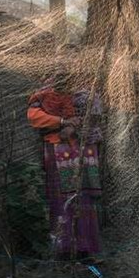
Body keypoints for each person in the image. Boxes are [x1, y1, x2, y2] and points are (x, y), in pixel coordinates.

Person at [27, 66, 103, 260]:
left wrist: (74, 128)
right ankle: (64, 248)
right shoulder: (44, 95)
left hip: (83, 151)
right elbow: (35, 118)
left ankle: (85, 247)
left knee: (83, 197)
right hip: (59, 151)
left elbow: (94, 120)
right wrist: (62, 122)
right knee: (61, 200)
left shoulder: (87, 94)